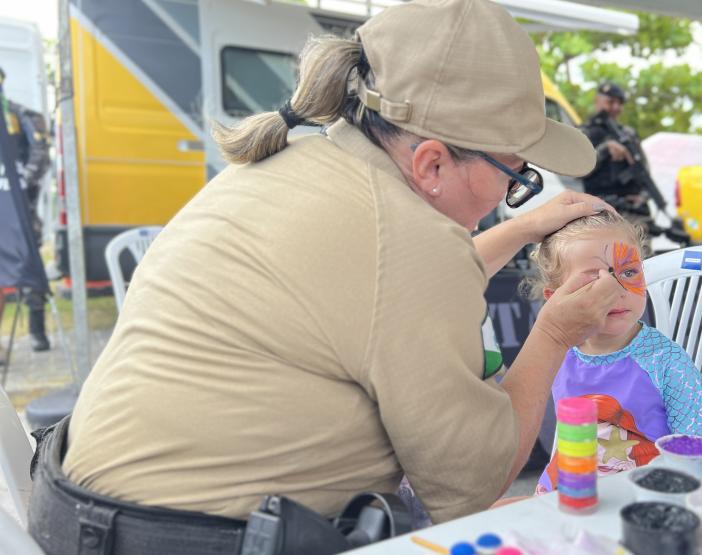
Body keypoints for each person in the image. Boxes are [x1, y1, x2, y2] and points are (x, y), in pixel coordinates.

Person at [28, 1, 625, 553]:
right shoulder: (408, 241)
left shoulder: (295, 162)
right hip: (185, 536)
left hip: (77, 505)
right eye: (515, 177)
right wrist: (553, 333)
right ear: (433, 162)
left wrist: (524, 229)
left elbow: (377, 293)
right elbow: (468, 485)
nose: (510, 197)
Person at [523, 210, 702, 494]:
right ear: (556, 301)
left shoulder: (666, 363)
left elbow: (696, 454)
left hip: (640, 496)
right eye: (592, 281)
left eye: (628, 272)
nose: (617, 290)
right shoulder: (556, 352)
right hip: (565, 491)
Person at [0, 68, 52, 353]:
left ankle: (37, 332)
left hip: (21, 211)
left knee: (29, 264)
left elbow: (42, 149)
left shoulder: (20, 116)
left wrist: (23, 181)